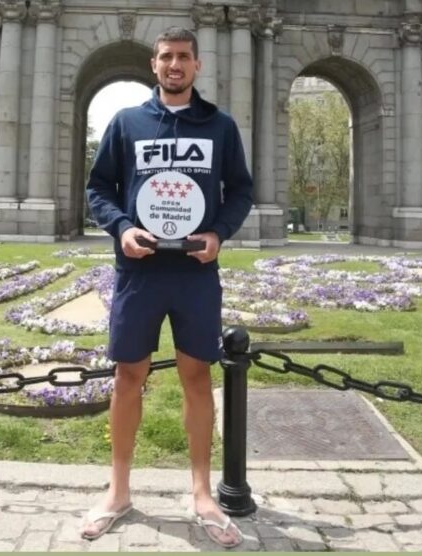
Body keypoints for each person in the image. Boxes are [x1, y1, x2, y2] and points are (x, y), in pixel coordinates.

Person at [83, 26, 253, 548]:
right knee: (127, 376)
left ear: (196, 66)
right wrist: (121, 227)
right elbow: (98, 187)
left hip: (195, 273)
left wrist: (219, 233)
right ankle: (118, 491)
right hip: (139, 271)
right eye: (165, 58)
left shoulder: (220, 126)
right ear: (153, 66)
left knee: (197, 377)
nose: (174, 65)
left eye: (183, 57)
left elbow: (241, 189)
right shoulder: (126, 122)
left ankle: (202, 493)